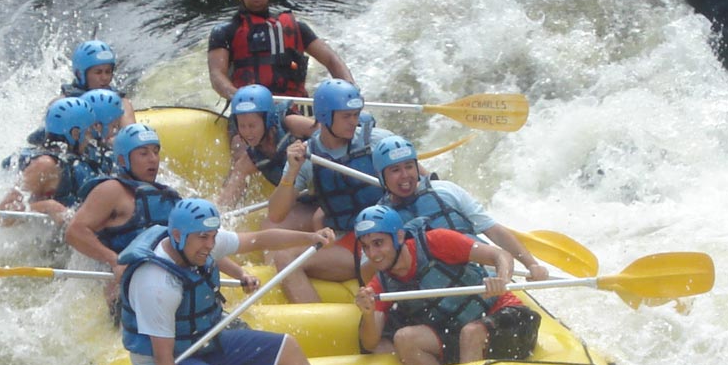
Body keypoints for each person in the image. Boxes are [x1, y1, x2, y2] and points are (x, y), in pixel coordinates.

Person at [119, 199, 335, 365]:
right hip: (168, 363)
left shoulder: (199, 242)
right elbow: (162, 356)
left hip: (207, 340)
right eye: (203, 237)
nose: (210, 244)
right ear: (177, 235)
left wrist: (309, 237)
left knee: (288, 346)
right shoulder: (156, 284)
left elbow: (259, 239)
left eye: (213, 236)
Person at [351, 206, 543, 365]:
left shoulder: (437, 242)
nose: (373, 254)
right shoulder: (380, 284)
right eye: (366, 247)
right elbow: (370, 343)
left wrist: (502, 278)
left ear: (399, 237)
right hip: (461, 335)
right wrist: (367, 314)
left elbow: (500, 255)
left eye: (378, 243)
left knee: (471, 333)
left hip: (510, 319)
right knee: (404, 338)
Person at [265, 79, 397, 300]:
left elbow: (420, 179)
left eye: (356, 114)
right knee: (285, 257)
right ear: (325, 116)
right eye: (347, 116)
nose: (353, 122)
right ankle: (316, 322)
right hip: (350, 241)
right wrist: (291, 173)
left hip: (387, 233)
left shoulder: (377, 141)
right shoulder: (306, 155)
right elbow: (276, 214)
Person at [370, 135, 551, 283]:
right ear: (381, 176)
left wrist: (531, 265)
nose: (405, 176)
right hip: (427, 289)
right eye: (395, 170)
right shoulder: (378, 216)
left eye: (409, 166)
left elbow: (494, 231)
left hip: (479, 278)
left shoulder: (445, 190)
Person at [207, 0, 354, 101]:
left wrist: (350, 90)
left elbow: (331, 59)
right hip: (249, 114)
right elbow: (217, 75)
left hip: (294, 108)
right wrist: (239, 97)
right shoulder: (225, 32)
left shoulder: (297, 27)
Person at [66, 122, 182, 270]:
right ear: (122, 160)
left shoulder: (166, 193)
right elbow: (74, 232)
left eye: (155, 152)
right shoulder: (112, 189)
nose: (153, 159)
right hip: (121, 282)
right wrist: (115, 261)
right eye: (143, 153)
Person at [0, 96, 98, 226]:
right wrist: (47, 206)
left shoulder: (73, 158)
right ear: (75, 134)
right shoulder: (45, 165)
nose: (90, 137)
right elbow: (2, 216)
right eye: (88, 131)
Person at [215, 83, 316, 208]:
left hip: (329, 189)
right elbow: (224, 203)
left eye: (252, 126)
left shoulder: (291, 123)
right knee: (269, 225)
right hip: (306, 203)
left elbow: (330, 136)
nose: (247, 132)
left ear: (267, 120)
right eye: (242, 126)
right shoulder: (249, 160)